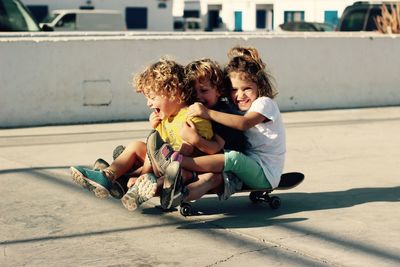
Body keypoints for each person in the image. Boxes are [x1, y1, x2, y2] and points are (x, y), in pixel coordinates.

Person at [70, 58, 222, 211]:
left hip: (185, 167)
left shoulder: (192, 116)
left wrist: (145, 173)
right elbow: (153, 150)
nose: (148, 103)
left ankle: (130, 183)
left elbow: (189, 151)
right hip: (162, 163)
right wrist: (156, 128)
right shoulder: (166, 118)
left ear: (173, 92)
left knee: (176, 172)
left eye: (152, 97)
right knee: (137, 146)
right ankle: (108, 175)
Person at [147, 46, 285, 195]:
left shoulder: (264, 103)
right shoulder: (233, 107)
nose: (240, 95)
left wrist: (207, 113)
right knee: (214, 171)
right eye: (234, 89)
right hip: (244, 169)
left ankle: (176, 161)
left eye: (247, 88)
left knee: (232, 158)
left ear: (260, 85)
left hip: (265, 173)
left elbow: (244, 124)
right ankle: (172, 191)